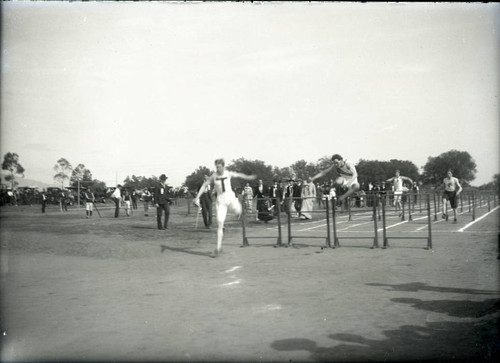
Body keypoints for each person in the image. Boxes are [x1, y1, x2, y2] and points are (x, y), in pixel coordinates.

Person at [193, 158, 256, 257]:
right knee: (220, 225)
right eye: (216, 167)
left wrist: (248, 177)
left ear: (223, 166)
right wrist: (197, 197)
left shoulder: (228, 173)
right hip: (220, 202)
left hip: (230, 198)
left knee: (238, 211)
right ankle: (218, 248)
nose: (218, 169)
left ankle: (238, 213)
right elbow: (204, 185)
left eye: (219, 167)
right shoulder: (214, 175)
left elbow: (239, 175)